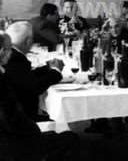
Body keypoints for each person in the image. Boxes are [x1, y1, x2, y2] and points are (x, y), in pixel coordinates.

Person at [0, 31, 78, 161]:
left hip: (13, 139)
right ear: (2, 51)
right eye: (9, 48)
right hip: (15, 146)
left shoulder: (3, 72)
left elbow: (23, 80)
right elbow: (12, 120)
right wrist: (37, 132)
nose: (12, 52)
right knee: (71, 138)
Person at [5, 22, 64, 121]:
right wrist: (56, 71)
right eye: (32, 40)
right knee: (66, 130)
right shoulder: (15, 58)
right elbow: (34, 87)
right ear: (28, 41)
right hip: (23, 118)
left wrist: (48, 67)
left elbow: (25, 77)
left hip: (17, 112)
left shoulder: (13, 54)